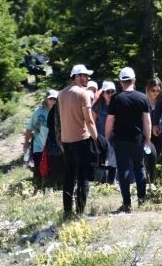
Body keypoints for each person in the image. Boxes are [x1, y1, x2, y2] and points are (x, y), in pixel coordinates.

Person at [105, 67, 152, 213]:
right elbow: (147, 120)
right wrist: (148, 138)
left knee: (123, 169)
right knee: (139, 168)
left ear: (121, 82)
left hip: (120, 139)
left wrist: (107, 137)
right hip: (137, 139)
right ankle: (142, 200)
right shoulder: (142, 97)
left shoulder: (116, 98)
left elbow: (110, 120)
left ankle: (126, 204)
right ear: (134, 80)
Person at [57, 64, 99, 219]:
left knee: (68, 177)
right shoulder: (83, 94)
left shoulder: (61, 94)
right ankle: (80, 212)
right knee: (83, 178)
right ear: (77, 76)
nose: (87, 78)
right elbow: (88, 120)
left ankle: (67, 211)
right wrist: (96, 139)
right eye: (85, 76)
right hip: (82, 139)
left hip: (66, 141)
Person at [24, 89, 58, 191]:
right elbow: (30, 128)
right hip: (39, 145)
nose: (53, 101)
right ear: (46, 99)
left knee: (52, 169)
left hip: (53, 147)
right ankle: (37, 189)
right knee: (38, 169)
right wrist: (26, 143)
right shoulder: (38, 112)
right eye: (50, 99)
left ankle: (52, 189)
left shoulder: (60, 112)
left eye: (55, 99)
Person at [92, 81, 118, 184]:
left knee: (113, 162)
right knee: (101, 161)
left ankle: (112, 182)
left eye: (113, 92)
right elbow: (92, 123)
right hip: (100, 139)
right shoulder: (97, 106)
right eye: (108, 92)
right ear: (103, 93)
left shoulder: (117, 105)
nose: (110, 94)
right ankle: (99, 183)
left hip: (113, 138)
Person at [144, 77, 162, 186]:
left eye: (158, 90)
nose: (155, 93)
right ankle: (149, 180)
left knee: (158, 156)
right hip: (146, 133)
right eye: (153, 90)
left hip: (159, 133)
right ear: (148, 89)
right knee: (149, 156)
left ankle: (156, 180)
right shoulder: (144, 101)